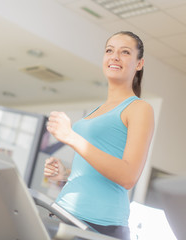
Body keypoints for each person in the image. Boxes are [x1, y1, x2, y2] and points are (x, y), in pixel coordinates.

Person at [44, 31, 154, 240]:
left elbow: (128, 176)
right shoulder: (99, 110)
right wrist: (65, 174)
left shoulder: (139, 108)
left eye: (125, 52)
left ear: (139, 64)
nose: (114, 56)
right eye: (109, 51)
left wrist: (71, 137)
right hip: (65, 213)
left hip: (98, 226)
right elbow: (96, 169)